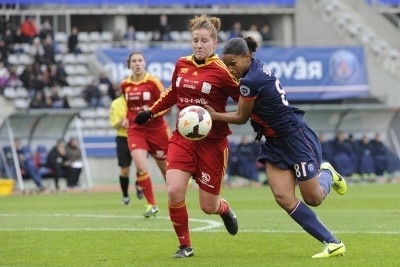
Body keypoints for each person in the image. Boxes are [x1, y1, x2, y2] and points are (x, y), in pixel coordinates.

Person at [204, 36, 348, 259]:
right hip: (274, 142)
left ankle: (327, 173)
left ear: (246, 56)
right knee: (283, 197)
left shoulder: (251, 81)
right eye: (226, 64)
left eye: (233, 64)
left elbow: (241, 117)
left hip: (295, 137)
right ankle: (333, 243)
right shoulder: (253, 68)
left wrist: (212, 116)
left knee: (313, 198)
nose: (230, 69)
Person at [134, 14, 241, 258]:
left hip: (212, 144)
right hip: (182, 139)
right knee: (173, 191)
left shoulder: (223, 71)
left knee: (208, 206)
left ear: (215, 44)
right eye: (195, 40)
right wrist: (150, 113)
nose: (199, 45)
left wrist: (259, 122)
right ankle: (185, 246)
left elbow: (245, 100)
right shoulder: (181, 64)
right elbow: (173, 92)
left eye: (204, 41)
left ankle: (223, 209)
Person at [120, 51, 170, 218]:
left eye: (140, 60)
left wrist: (150, 114)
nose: (137, 63)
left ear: (145, 63)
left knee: (166, 171)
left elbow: (166, 105)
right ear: (129, 64)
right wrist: (127, 118)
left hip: (157, 130)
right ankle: (151, 204)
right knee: (141, 166)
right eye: (134, 61)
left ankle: (175, 200)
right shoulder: (124, 85)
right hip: (136, 130)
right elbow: (128, 107)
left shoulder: (153, 82)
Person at [109, 88, 144, 206]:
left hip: (139, 136)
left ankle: (139, 184)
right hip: (123, 138)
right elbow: (115, 125)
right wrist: (122, 121)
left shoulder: (139, 101)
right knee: (125, 170)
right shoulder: (116, 104)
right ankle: (125, 195)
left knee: (141, 165)